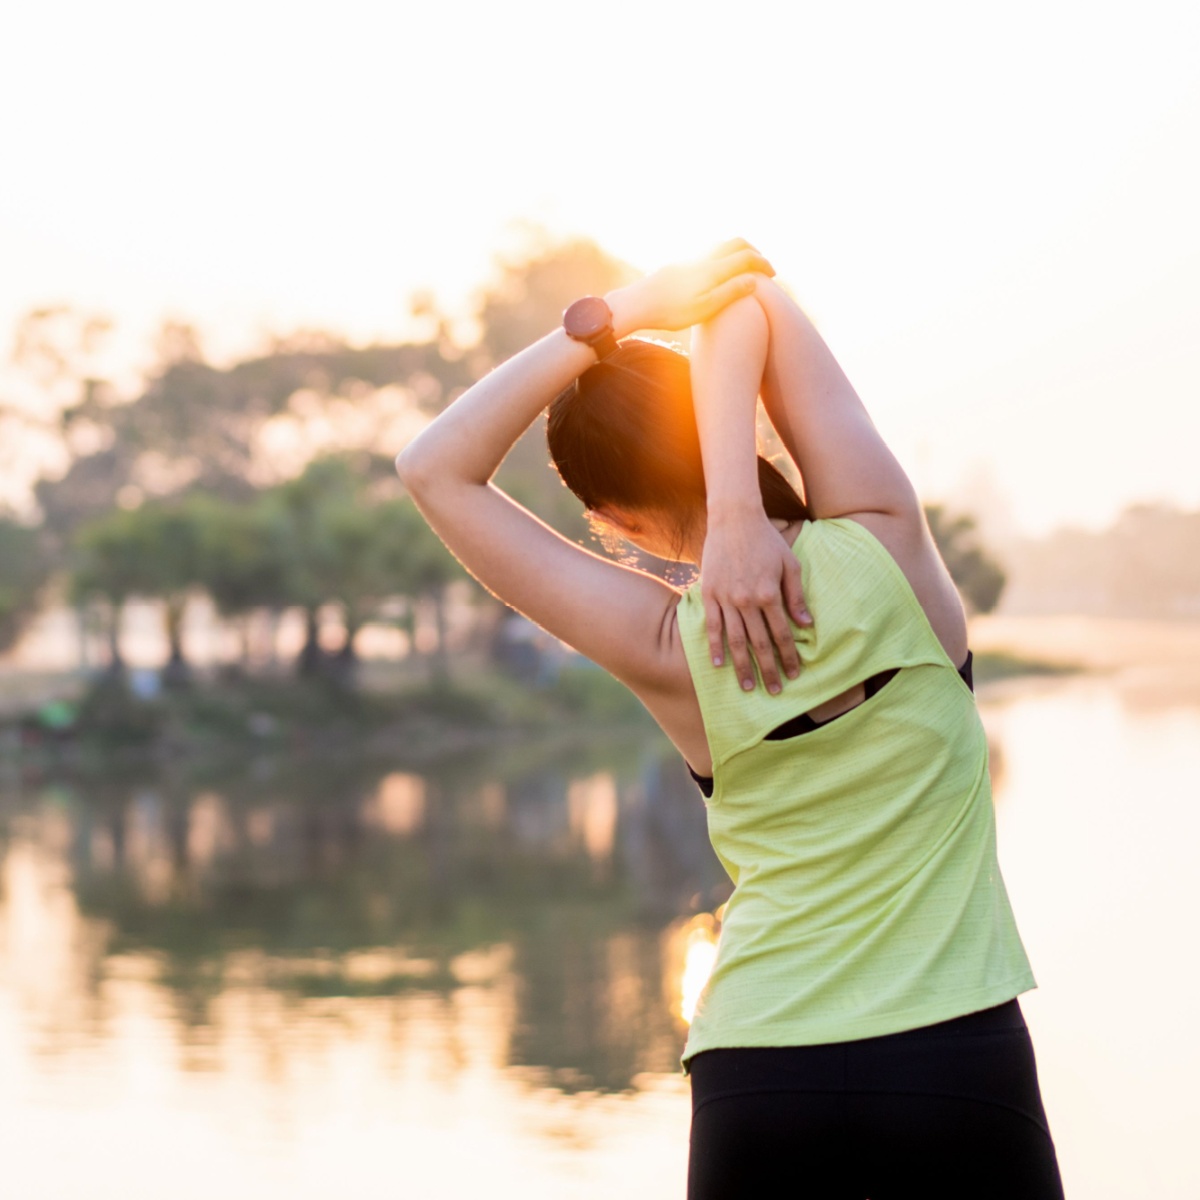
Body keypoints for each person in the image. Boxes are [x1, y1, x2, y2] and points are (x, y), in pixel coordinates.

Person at [396, 241, 1064, 1199]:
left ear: (614, 521)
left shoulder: (668, 646)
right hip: (952, 1061)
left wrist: (617, 313)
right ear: (738, 432)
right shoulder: (887, 546)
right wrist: (742, 505)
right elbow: (747, 293)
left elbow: (433, 469)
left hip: (760, 1076)